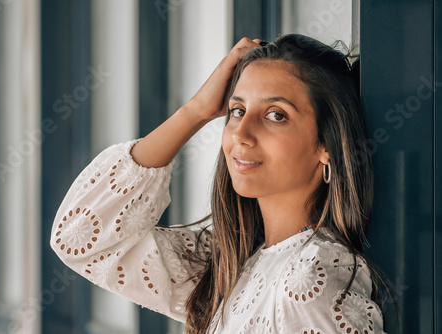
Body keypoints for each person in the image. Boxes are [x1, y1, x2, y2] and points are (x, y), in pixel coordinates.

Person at [51, 34, 386, 333]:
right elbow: (80, 238)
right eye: (237, 111)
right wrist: (195, 111)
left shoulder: (309, 277)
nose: (240, 133)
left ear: (327, 146)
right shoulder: (228, 261)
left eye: (276, 115)